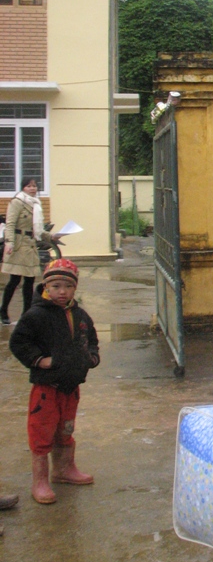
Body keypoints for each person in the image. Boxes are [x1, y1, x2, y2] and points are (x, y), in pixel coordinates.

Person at [9, 258, 100, 505]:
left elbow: (91, 339)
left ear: (75, 288)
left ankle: (64, 469)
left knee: (66, 428)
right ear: (46, 286)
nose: (62, 292)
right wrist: (39, 360)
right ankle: (40, 481)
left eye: (68, 286)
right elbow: (19, 342)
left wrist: (91, 357)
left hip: (71, 387)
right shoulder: (35, 316)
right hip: (46, 388)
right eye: (56, 286)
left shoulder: (80, 315)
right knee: (42, 430)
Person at [1, 177, 61, 325]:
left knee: (30, 281)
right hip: (18, 245)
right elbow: (10, 224)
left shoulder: (36, 204)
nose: (32, 188)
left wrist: (52, 236)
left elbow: (37, 230)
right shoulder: (17, 202)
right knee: (15, 280)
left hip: (31, 245)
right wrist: (9, 242)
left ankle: (26, 314)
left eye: (34, 186)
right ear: (23, 188)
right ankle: (3, 311)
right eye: (29, 186)